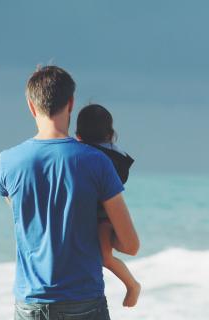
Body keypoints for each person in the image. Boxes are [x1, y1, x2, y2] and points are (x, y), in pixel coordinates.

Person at [0, 65, 139, 320]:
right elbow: (130, 245)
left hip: (30, 304)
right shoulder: (97, 162)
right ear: (70, 103)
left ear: (31, 106)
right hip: (83, 302)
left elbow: (29, 221)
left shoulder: (6, 162)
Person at [76, 104, 141, 307]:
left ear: (78, 135)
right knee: (105, 256)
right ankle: (132, 285)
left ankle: (132, 285)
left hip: (103, 216)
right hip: (106, 216)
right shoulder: (116, 155)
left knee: (105, 257)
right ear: (111, 133)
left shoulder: (84, 154)